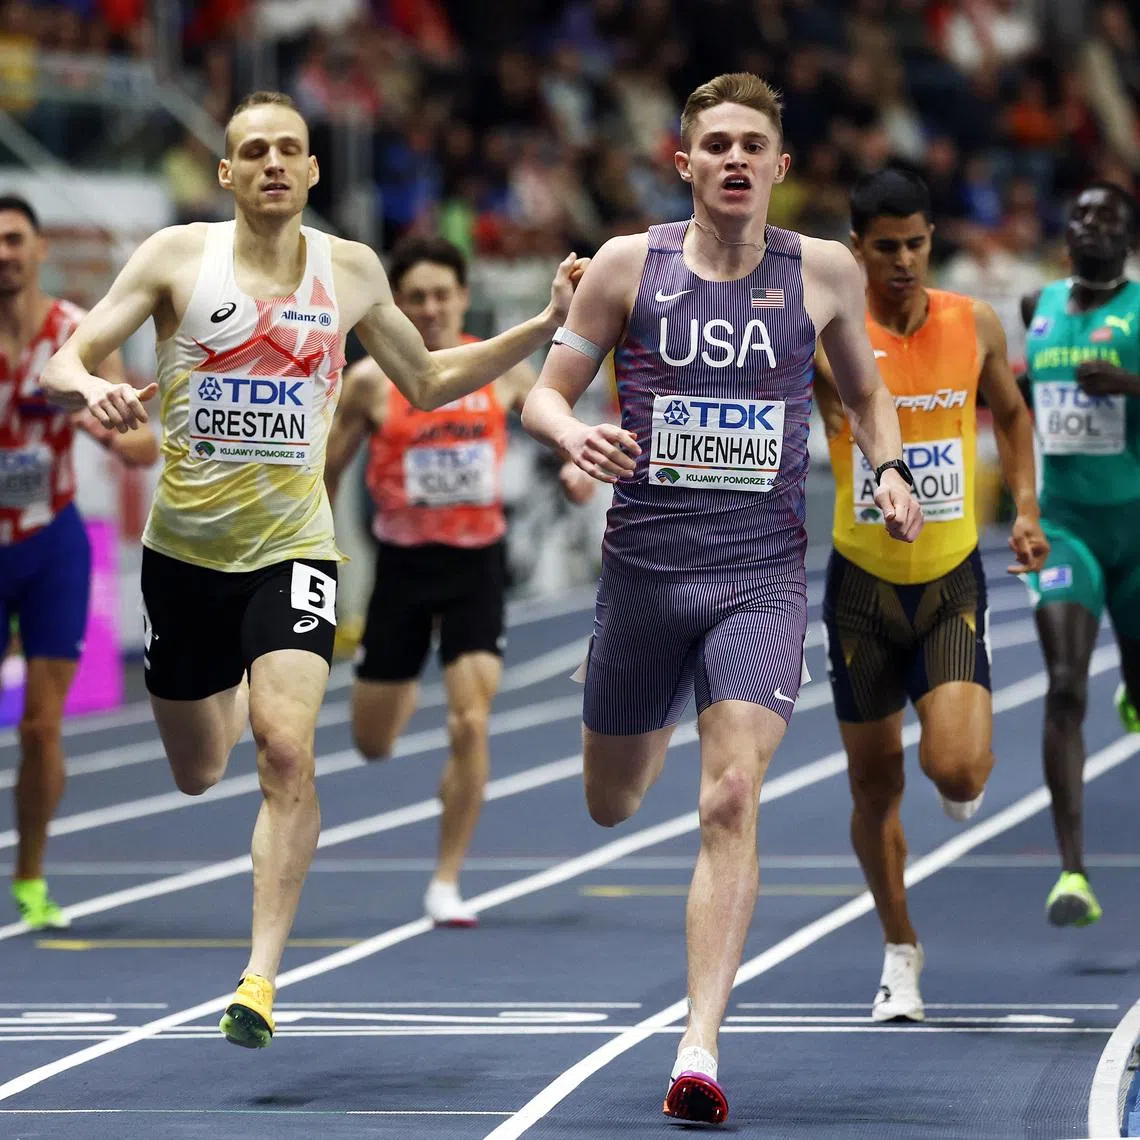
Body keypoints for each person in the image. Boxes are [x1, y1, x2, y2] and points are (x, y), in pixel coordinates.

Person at [41, 91, 586, 1049]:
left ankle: (258, 979)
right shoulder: (177, 255)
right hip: (186, 556)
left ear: (314, 169)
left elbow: (427, 379)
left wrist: (543, 322)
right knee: (199, 769)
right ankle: (225, 705)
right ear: (227, 173)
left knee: (286, 749)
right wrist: (94, 384)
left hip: (295, 546)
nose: (273, 165)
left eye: (289, 150)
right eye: (253, 152)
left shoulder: (352, 269)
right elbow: (67, 359)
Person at [521, 72, 923, 1126]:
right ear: (684, 162)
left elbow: (869, 395)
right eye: (717, 145)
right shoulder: (625, 265)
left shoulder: (823, 270)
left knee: (729, 798)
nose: (736, 159)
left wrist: (890, 471)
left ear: (781, 168)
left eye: (754, 144)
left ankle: (698, 1046)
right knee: (613, 798)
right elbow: (543, 393)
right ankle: (624, 692)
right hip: (645, 575)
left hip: (761, 579)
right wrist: (573, 435)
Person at [812, 168, 1048, 1023]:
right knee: (873, 786)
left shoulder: (972, 322)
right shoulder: (826, 332)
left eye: (916, 243)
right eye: (886, 247)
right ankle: (899, 950)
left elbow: (1013, 416)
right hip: (859, 588)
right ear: (857, 250)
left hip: (949, 580)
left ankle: (961, 759)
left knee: (955, 767)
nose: (904, 260)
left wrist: (1025, 507)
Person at [323, 235, 595, 927]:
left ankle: (447, 879)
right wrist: (308, 543)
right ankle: (403, 676)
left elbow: (554, 420)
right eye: (416, 297)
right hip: (402, 573)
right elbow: (325, 469)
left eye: (443, 294)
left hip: (476, 565)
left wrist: (574, 466)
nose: (431, 308)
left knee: (471, 721)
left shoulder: (499, 372)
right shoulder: (369, 382)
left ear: (463, 298)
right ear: (397, 306)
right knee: (374, 742)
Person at [0, 193, 158, 930]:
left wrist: (98, 421)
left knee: (40, 727)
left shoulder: (74, 332)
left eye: (14, 240)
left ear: (37, 252)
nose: (4, 253)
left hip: (52, 542)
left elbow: (142, 446)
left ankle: (30, 878)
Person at [1020, 181, 1140, 928]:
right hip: (1066, 528)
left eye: (1107, 217)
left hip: (1138, 528)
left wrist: (1130, 384)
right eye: (1081, 214)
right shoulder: (1038, 308)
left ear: (1127, 235)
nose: (1091, 225)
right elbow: (1018, 399)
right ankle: (1071, 873)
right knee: (1064, 685)